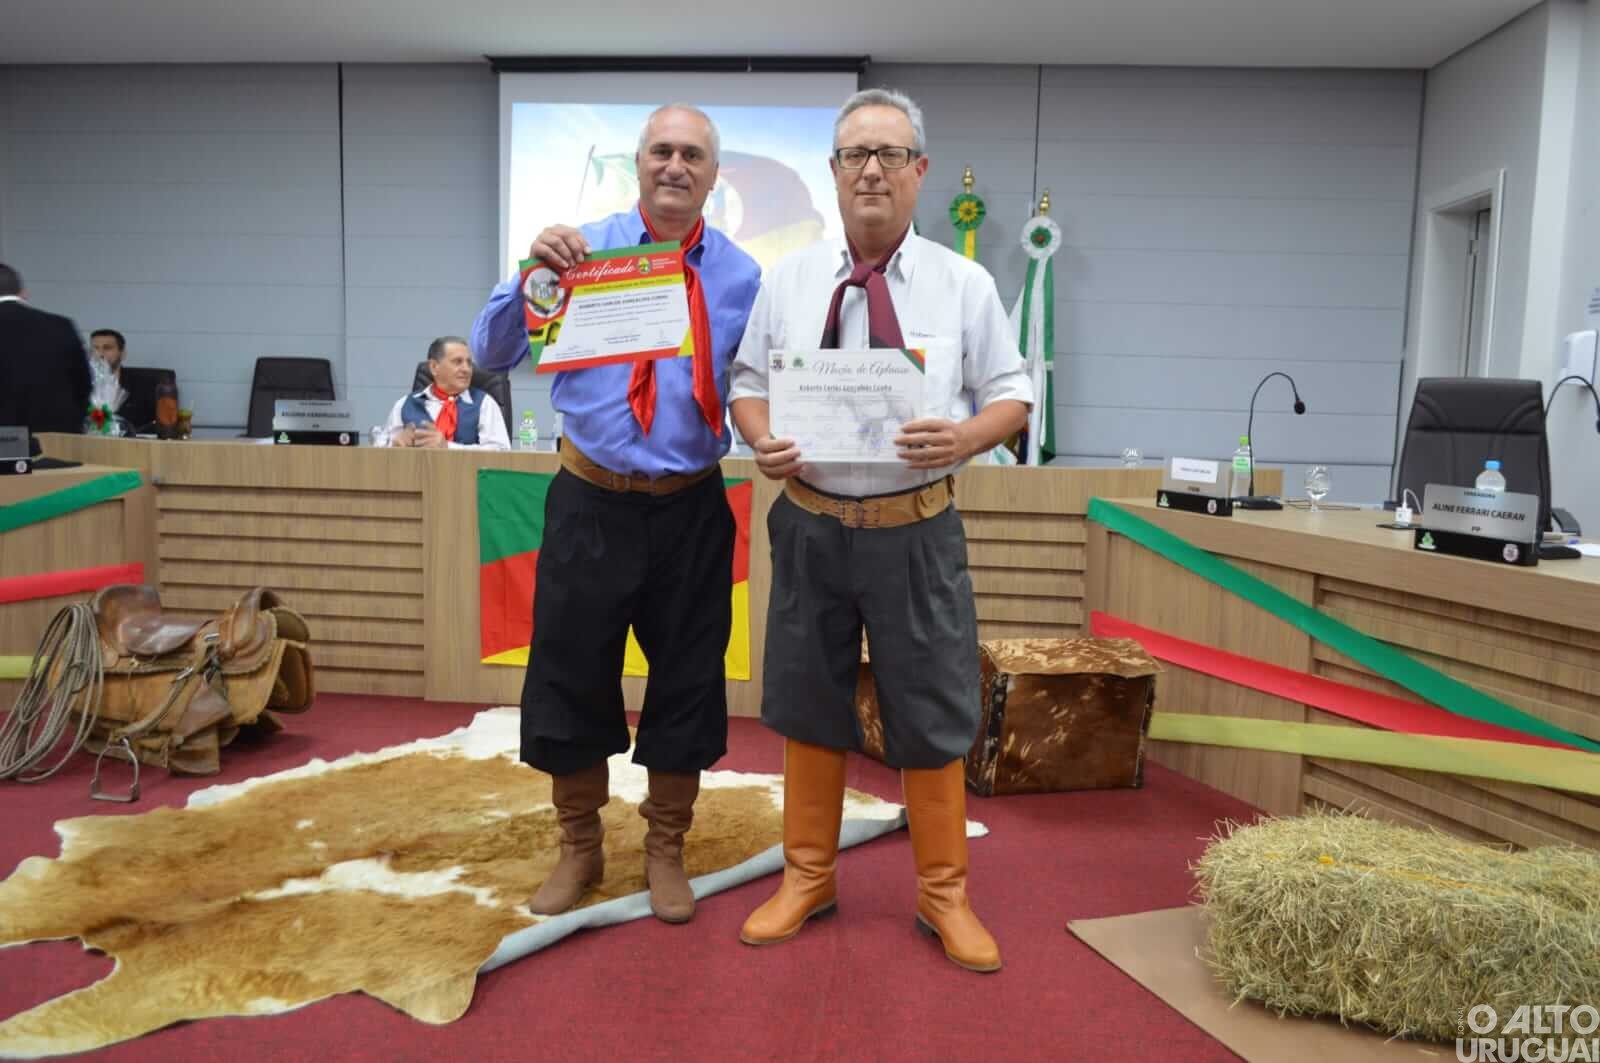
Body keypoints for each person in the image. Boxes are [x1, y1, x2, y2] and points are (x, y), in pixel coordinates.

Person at [728, 89, 1032, 973]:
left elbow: (1014, 392)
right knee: (808, 698)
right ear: (831, 171)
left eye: (890, 155)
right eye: (855, 154)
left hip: (918, 530)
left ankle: (944, 896)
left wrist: (969, 435)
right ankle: (808, 877)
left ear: (919, 172)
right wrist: (759, 437)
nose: (871, 169)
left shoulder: (963, 283)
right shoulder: (786, 279)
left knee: (934, 707)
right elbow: (748, 380)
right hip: (812, 526)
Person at [471, 104, 761, 924]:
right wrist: (530, 266)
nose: (676, 165)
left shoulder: (742, 277)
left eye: (693, 154)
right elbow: (493, 352)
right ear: (637, 164)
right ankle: (580, 846)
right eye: (661, 150)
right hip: (589, 500)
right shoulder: (577, 250)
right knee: (569, 675)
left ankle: (665, 845)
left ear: (713, 174)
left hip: (692, 509)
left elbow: (758, 388)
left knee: (690, 681)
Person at [0, 263, 92, 438]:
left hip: (4, 441)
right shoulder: (61, 326)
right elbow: (83, 384)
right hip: (57, 438)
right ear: (23, 293)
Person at [380, 336, 510, 450]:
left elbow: (501, 451)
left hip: (467, 477)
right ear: (434, 367)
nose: (466, 369)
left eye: (469, 363)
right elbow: (379, 447)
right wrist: (394, 445)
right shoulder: (404, 404)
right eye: (457, 362)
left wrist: (448, 447)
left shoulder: (485, 404)